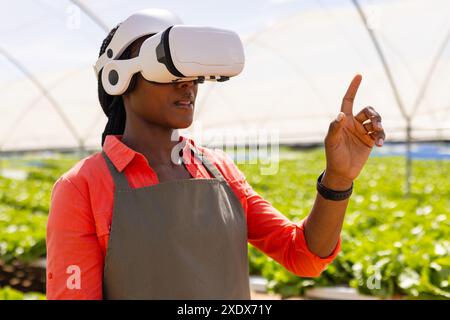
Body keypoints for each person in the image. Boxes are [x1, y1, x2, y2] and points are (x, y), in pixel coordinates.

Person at [46, 9, 385, 300]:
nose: (187, 83)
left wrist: (338, 179)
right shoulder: (81, 188)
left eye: (190, 69)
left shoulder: (219, 170)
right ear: (118, 77)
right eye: (166, 66)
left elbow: (304, 254)